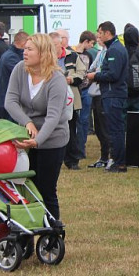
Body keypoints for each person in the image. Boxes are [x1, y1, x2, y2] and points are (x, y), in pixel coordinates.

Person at [6, 33, 71, 221]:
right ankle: (28, 231)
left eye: (29, 49)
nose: (24, 52)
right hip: (25, 137)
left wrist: (37, 141)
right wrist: (27, 122)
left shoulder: (56, 79)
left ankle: (52, 235)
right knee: (26, 188)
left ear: (43, 53)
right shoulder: (19, 70)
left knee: (46, 189)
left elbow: (53, 116)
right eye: (24, 48)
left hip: (52, 140)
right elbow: (10, 101)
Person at [85, 21, 129, 173]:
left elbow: (113, 74)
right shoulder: (113, 48)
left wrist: (95, 75)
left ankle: (119, 163)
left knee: (115, 130)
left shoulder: (115, 50)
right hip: (112, 94)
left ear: (107, 33)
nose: (98, 36)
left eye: (100, 33)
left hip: (113, 95)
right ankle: (118, 161)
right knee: (115, 129)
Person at [60, 29, 89, 170]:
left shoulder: (72, 56)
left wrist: (71, 79)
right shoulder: (46, 56)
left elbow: (82, 73)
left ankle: (72, 160)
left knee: (71, 129)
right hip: (52, 99)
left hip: (70, 99)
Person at [69, 31, 96, 165]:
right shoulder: (71, 53)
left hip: (85, 91)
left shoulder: (89, 55)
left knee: (84, 121)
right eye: (91, 43)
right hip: (74, 90)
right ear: (85, 41)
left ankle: (81, 149)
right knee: (74, 121)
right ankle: (74, 149)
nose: (92, 46)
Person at [0, 31, 29, 122]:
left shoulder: (9, 54)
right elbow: (24, 74)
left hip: (6, 100)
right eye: (28, 46)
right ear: (23, 43)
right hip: (9, 101)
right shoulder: (11, 57)